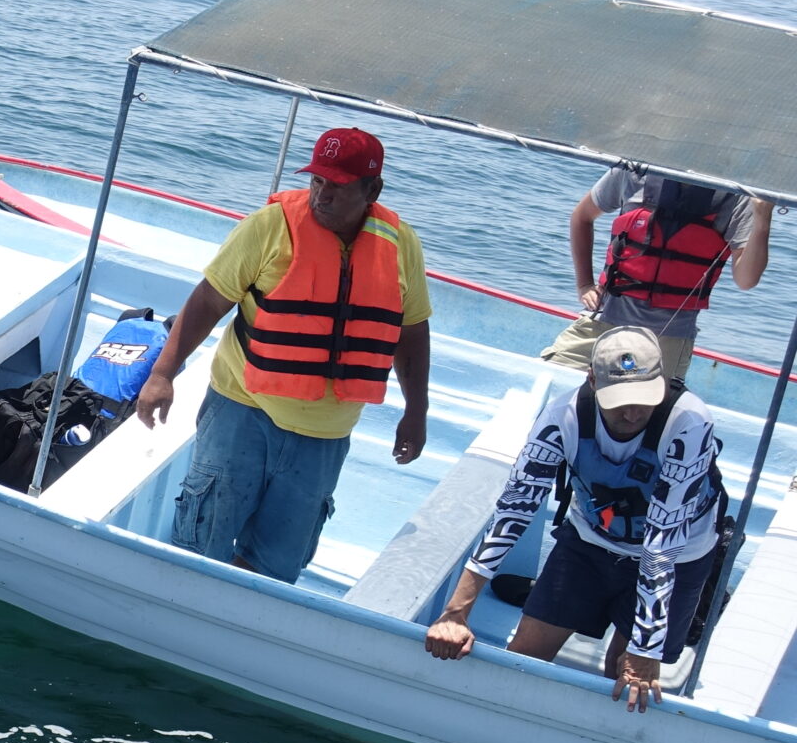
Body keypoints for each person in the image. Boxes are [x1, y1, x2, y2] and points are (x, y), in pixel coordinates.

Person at [133, 127, 432, 582]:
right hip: (242, 408)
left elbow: (410, 332)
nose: (322, 196)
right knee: (200, 543)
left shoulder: (400, 244)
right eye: (317, 181)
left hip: (324, 434)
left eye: (338, 185)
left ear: (373, 189)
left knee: (275, 568)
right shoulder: (269, 227)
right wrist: (162, 374)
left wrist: (416, 411)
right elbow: (207, 303)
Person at [423, 327, 725, 713]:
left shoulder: (690, 424)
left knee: (627, 679)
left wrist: (644, 648)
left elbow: (661, 547)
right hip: (590, 542)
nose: (633, 413)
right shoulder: (561, 417)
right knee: (523, 657)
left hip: (678, 554)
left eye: (645, 399)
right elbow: (515, 509)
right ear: (593, 380)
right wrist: (456, 612)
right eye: (620, 401)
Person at [542, 168, 771, 380]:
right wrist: (584, 284)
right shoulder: (634, 171)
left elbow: (746, 280)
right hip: (603, 322)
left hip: (667, 341)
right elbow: (582, 217)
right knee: (546, 376)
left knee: (636, 414)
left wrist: (762, 222)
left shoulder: (735, 197)